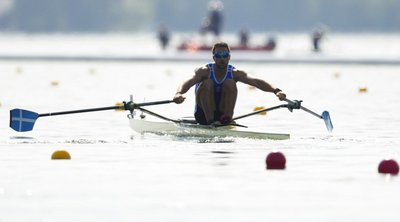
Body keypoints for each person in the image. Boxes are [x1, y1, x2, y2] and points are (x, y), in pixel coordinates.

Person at [173, 42, 287, 125]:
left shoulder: (234, 73)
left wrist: (277, 91)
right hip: (203, 116)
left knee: (230, 83)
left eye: (224, 55)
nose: (222, 58)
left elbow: (256, 81)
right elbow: (188, 81)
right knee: (207, 83)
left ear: (229, 57)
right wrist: (178, 93)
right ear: (214, 58)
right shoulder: (204, 71)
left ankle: (226, 119)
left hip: (222, 114)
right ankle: (211, 121)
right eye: (218, 55)